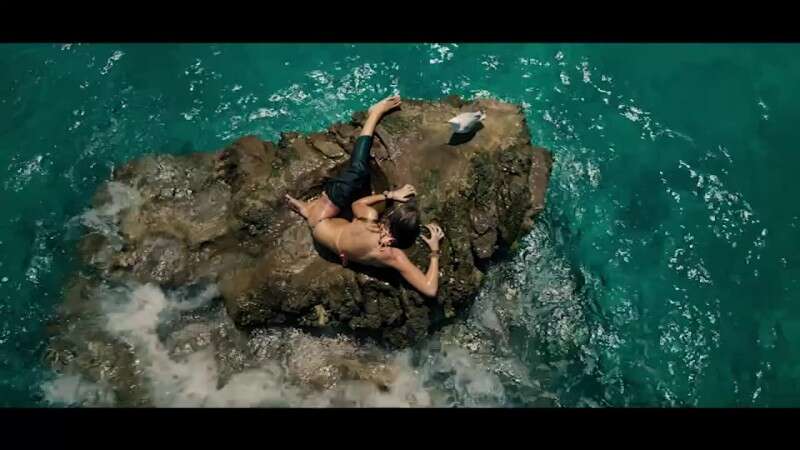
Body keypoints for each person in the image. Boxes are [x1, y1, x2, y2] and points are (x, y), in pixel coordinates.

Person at [285, 95, 444, 297]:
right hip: (328, 239)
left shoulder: (369, 222)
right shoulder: (393, 256)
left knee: (358, 171)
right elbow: (430, 289)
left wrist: (390, 195)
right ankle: (306, 209)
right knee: (361, 181)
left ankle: (374, 114)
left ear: (388, 224)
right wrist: (434, 251)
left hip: (321, 219)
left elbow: (358, 204)